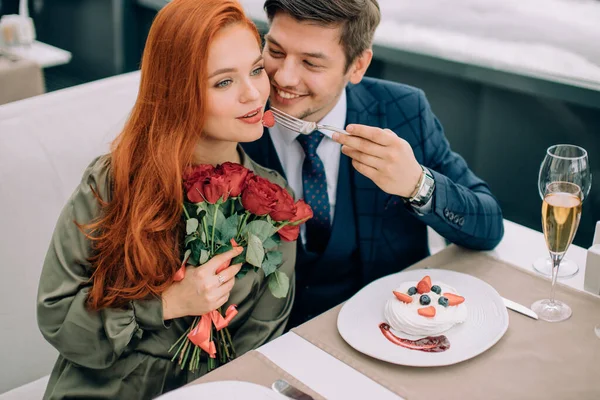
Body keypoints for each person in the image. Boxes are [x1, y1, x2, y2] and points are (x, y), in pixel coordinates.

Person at [36, 0, 295, 398]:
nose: (253, 93)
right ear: (178, 92)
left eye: (257, 70)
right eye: (224, 82)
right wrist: (167, 303)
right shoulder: (111, 182)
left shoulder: (273, 202)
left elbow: (259, 345)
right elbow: (57, 321)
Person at [242, 0, 504, 328]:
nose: (284, 77)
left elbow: (489, 225)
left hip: (387, 331)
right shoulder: (234, 119)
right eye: (276, 51)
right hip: (268, 340)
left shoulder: (405, 111)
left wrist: (418, 185)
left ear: (358, 66)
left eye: (311, 63)